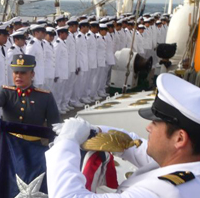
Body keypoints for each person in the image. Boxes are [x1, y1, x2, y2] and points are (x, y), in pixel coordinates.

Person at [46, 73, 200, 198]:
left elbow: (68, 195)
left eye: (155, 123)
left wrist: (66, 142)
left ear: (179, 139)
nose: (148, 128)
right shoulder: (186, 163)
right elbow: (136, 145)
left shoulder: (166, 191)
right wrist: (93, 130)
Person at [0, 54, 60, 142]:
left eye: (23, 73)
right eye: (16, 72)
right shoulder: (7, 92)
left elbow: (55, 126)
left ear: (32, 74)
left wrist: (54, 148)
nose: (18, 76)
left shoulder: (45, 96)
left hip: (32, 147)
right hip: (9, 144)